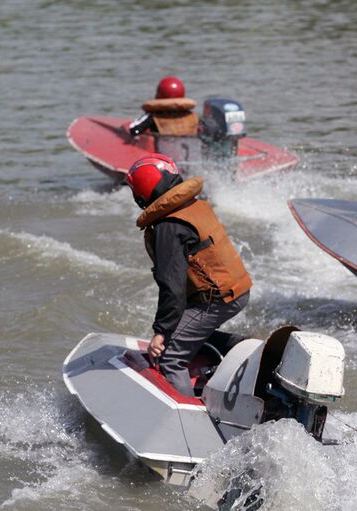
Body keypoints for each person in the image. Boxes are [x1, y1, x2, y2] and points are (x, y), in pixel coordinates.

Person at [125, 154, 252, 396]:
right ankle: (241, 346)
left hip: (216, 298)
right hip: (236, 289)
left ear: (141, 192)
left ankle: (188, 415)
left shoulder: (168, 226)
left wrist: (161, 332)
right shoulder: (191, 204)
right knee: (184, 332)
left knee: (170, 355)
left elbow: (172, 285)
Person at [127, 76, 199, 137]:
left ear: (159, 95)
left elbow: (134, 130)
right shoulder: (193, 117)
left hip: (162, 150)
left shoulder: (153, 116)